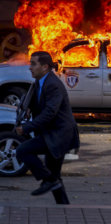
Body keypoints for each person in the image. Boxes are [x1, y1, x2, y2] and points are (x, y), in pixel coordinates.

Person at [16, 51, 80, 202]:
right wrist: (30, 107)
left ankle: (48, 179)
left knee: (22, 150)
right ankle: (63, 205)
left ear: (44, 66)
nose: (30, 67)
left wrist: (27, 127)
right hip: (51, 134)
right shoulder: (40, 82)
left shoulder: (53, 84)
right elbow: (38, 102)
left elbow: (50, 112)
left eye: (33, 64)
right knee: (55, 177)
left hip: (59, 136)